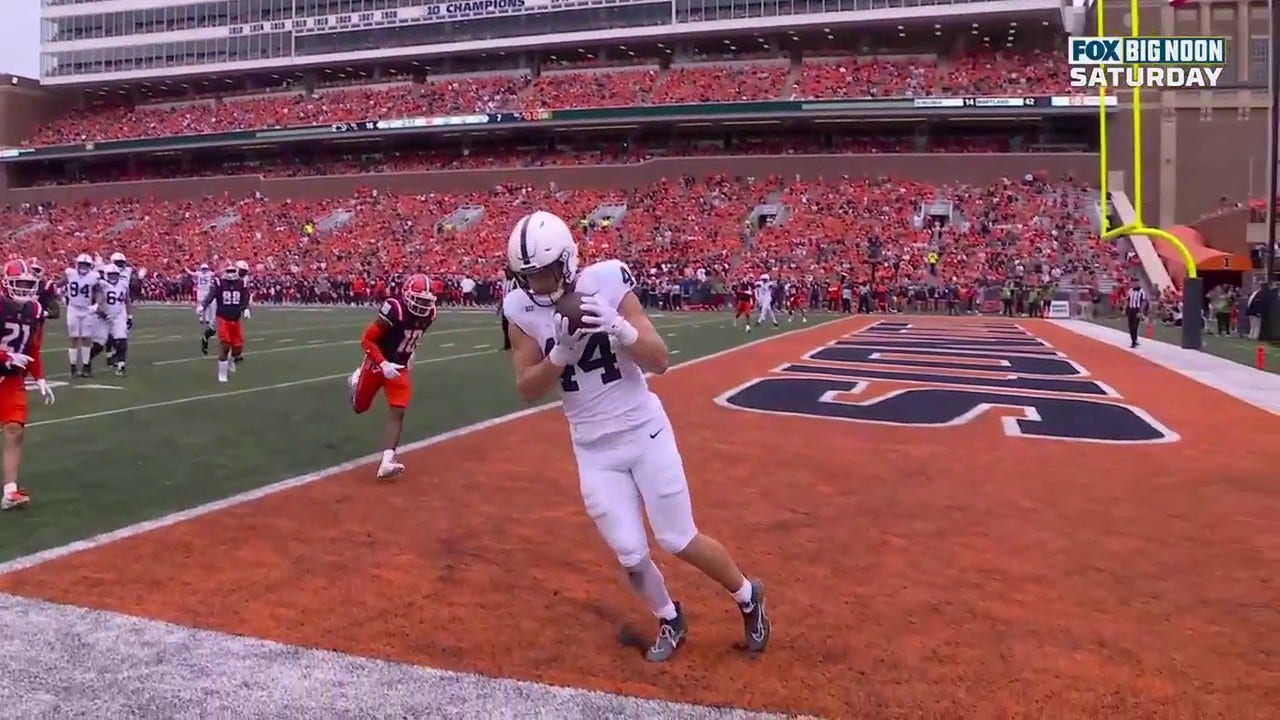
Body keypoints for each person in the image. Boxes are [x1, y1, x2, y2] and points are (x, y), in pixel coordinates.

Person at [501, 210, 770, 663]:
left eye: (544, 274)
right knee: (629, 552)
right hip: (591, 446)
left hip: (643, 429)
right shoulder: (519, 307)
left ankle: (748, 595)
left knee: (678, 537)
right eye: (527, 276)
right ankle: (669, 618)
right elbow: (527, 387)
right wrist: (561, 355)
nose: (537, 286)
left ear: (566, 261)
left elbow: (660, 360)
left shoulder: (607, 282)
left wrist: (619, 327)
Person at [348, 273, 437, 479]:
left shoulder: (431, 314)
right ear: (407, 295)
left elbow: (411, 334)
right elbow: (366, 341)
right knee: (359, 407)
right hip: (376, 363)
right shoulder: (394, 308)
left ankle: (387, 461)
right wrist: (382, 363)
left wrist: (409, 351)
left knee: (398, 411)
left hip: (399, 368)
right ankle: (356, 379)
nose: (422, 305)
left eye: (426, 301)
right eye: (419, 300)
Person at [0, 260, 56, 510]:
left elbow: (33, 347)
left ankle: (9, 491)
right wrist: (5, 356)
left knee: (15, 429)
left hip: (11, 377)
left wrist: (40, 376)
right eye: (19, 283)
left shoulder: (34, 311)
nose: (23, 289)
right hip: (5, 364)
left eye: (27, 284)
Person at [197, 264, 251, 383]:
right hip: (222, 316)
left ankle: (231, 361)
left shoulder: (242, 283)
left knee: (238, 348)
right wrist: (203, 305)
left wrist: (245, 308)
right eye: (229, 271)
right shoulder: (219, 282)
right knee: (225, 344)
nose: (231, 273)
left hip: (235, 318)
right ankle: (222, 373)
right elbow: (211, 295)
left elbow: (245, 297)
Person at [63, 253, 101, 377]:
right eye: (82, 264)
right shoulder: (70, 274)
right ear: (77, 265)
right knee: (73, 338)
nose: (84, 267)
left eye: (86, 264)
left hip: (87, 309)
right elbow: (59, 283)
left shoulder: (93, 277)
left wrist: (96, 305)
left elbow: (99, 292)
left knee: (86, 338)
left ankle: (86, 367)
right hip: (73, 308)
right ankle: (73, 367)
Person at [1125, 284, 1147, 349]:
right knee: (1130, 326)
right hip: (1131, 309)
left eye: (1135, 282)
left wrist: (1141, 311)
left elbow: (1144, 302)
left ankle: (1133, 341)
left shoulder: (1141, 291)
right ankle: (1134, 339)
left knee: (1135, 326)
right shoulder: (1130, 290)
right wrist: (1125, 308)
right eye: (1133, 282)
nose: (1134, 283)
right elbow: (1127, 300)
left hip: (1137, 310)